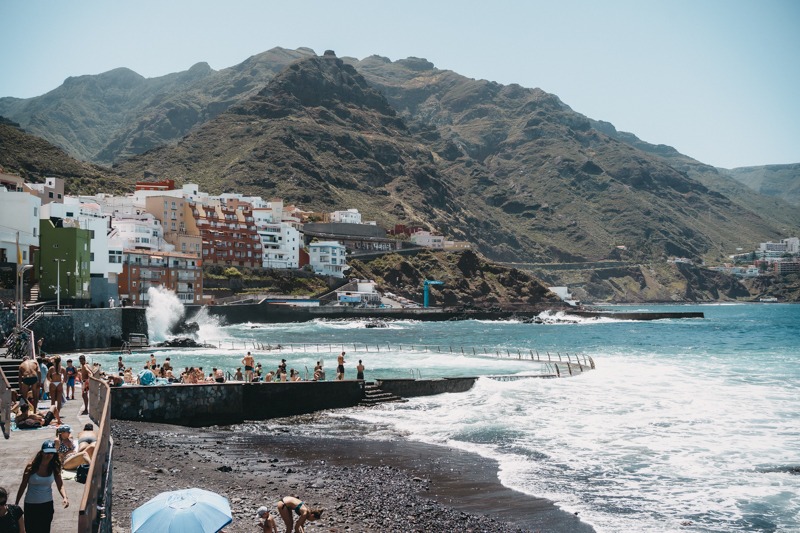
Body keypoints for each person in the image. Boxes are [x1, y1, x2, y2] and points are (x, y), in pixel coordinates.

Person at [15, 440, 69, 533]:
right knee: (31, 529)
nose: (49, 455)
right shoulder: (31, 466)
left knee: (44, 529)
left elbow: (60, 484)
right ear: (42, 453)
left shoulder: (54, 467)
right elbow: (23, 485)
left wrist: (64, 497)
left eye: (52, 453)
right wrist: (17, 502)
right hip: (31, 504)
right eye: (47, 453)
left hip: (47, 504)